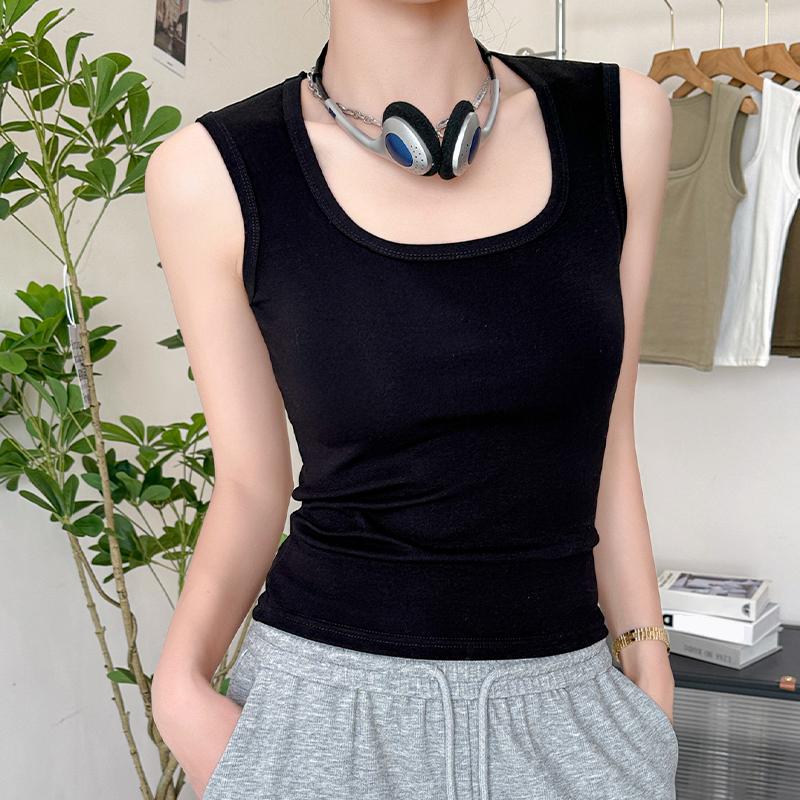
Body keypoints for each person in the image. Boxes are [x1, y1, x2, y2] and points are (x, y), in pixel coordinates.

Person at [144, 1, 674, 798]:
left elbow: (609, 438)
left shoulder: (623, 121)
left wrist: (647, 664)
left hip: (571, 711)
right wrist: (180, 691)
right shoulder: (210, 172)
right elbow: (251, 483)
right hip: (320, 717)